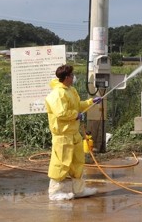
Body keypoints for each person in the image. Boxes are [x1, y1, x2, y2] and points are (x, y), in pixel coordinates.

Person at [45, 64, 103, 201]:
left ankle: (79, 190)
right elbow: (61, 113)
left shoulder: (70, 90)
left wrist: (91, 102)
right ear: (66, 77)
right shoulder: (57, 94)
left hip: (74, 134)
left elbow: (78, 106)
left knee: (77, 163)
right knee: (60, 164)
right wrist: (76, 115)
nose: (73, 77)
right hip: (62, 135)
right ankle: (54, 193)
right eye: (72, 75)